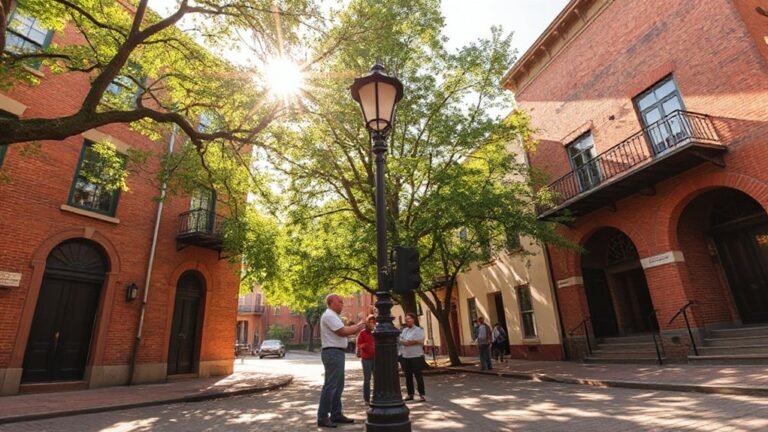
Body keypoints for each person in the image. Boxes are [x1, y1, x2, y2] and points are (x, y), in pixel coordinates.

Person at [317, 294, 366, 428]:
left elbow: (344, 331)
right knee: (331, 385)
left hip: (336, 353)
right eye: (340, 302)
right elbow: (342, 331)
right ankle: (322, 416)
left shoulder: (333, 316)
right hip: (332, 352)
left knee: (338, 386)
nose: (342, 304)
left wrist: (356, 327)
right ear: (331, 302)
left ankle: (336, 414)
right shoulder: (329, 315)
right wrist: (360, 325)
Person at [399, 312, 427, 402]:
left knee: (418, 375)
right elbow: (401, 340)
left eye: (409, 319)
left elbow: (414, 341)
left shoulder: (419, 330)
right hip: (406, 356)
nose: (407, 321)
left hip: (416, 356)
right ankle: (410, 394)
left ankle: (422, 394)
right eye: (406, 319)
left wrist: (407, 342)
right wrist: (407, 342)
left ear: (413, 319)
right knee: (408, 376)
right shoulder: (404, 330)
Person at [356, 314, 376, 404]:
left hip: (376, 358)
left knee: (377, 378)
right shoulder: (363, 333)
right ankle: (366, 399)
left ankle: (376, 396)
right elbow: (359, 344)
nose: (372, 324)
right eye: (370, 322)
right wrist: (364, 346)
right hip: (366, 358)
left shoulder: (376, 332)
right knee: (367, 379)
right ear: (367, 323)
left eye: (373, 322)